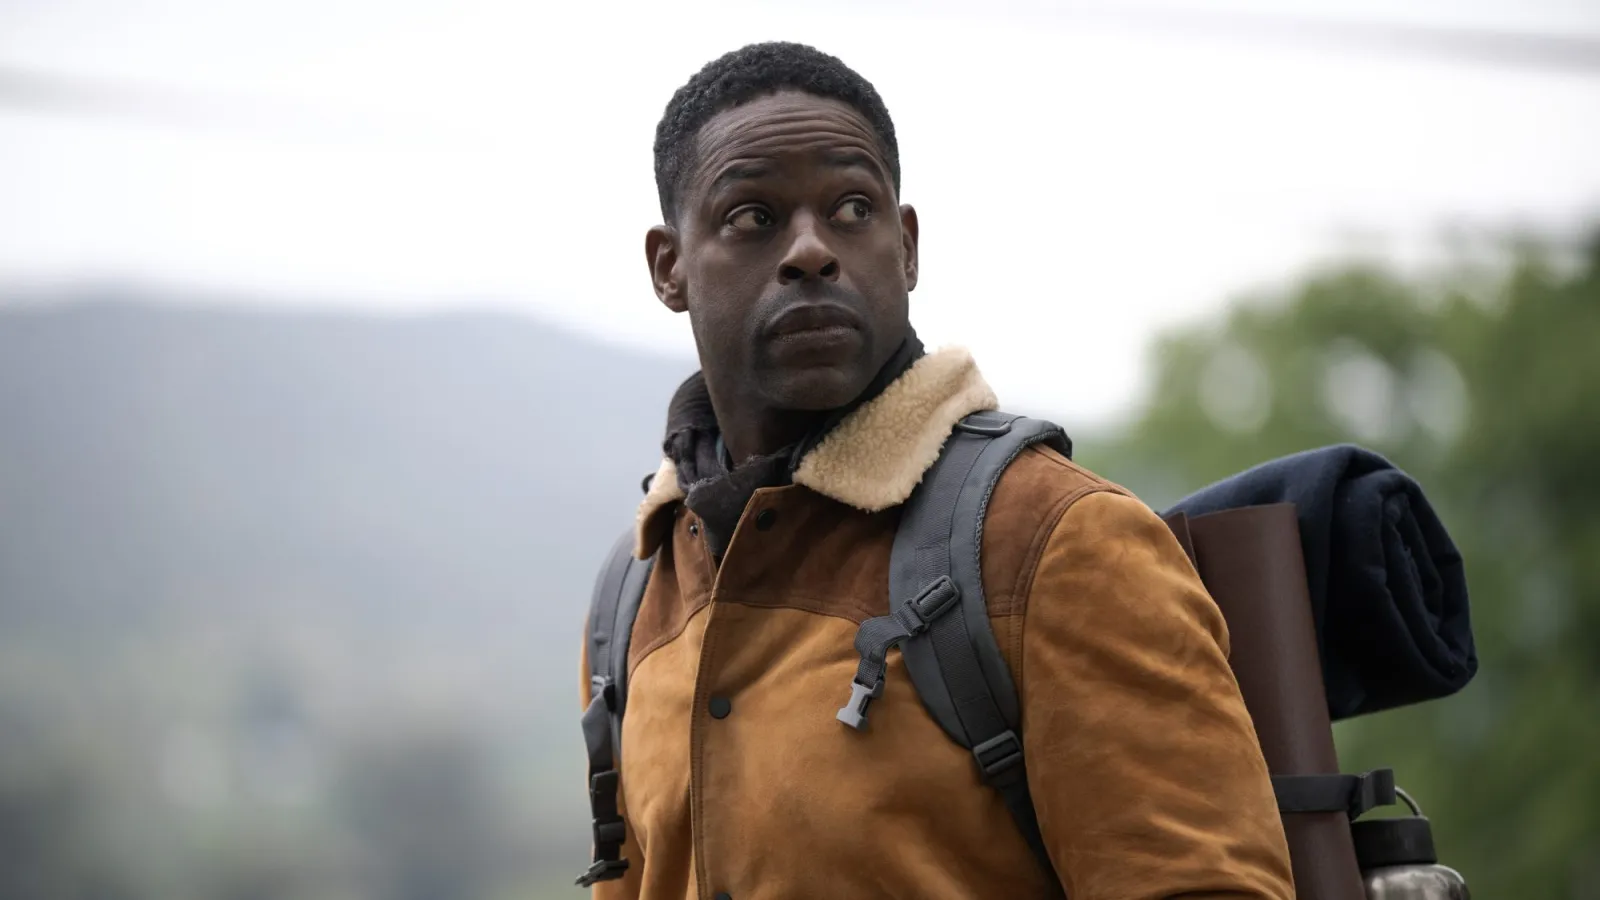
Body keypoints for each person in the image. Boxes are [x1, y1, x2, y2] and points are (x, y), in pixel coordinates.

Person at [580, 40, 1295, 899]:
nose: (811, 250)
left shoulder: (1055, 540)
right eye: (752, 217)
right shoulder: (634, 595)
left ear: (907, 246)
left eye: (852, 208)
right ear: (670, 269)